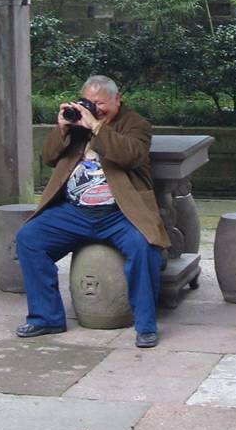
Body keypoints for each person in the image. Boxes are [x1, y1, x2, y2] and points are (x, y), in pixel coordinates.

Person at [13, 75, 169, 348]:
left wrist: (97, 127)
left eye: (101, 103)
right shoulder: (77, 125)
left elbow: (131, 154)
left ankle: (145, 325)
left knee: (145, 248)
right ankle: (46, 317)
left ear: (117, 99)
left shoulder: (136, 124)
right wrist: (62, 128)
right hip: (74, 212)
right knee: (29, 238)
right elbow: (49, 157)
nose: (96, 109)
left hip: (121, 212)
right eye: (91, 103)